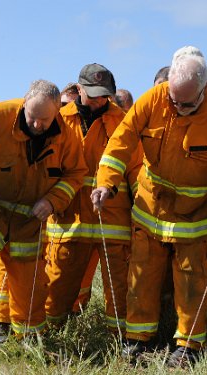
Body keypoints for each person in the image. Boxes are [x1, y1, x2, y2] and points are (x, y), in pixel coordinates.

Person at [91, 46, 207, 367]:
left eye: (187, 103)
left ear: (204, 89)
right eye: (174, 100)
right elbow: (119, 145)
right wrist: (106, 182)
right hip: (150, 210)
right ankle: (136, 342)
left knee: (191, 283)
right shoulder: (154, 99)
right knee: (142, 278)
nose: (178, 107)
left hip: (193, 218)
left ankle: (188, 348)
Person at [0, 80, 87, 358]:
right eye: (32, 117)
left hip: (27, 222)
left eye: (44, 120)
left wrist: (51, 201)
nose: (36, 125)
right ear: (24, 103)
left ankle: (32, 342)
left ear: (57, 114)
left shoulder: (66, 137)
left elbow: (75, 175)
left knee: (31, 283)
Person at [45, 64, 142, 334]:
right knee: (58, 284)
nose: (100, 100)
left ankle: (122, 341)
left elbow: (135, 168)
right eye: (94, 94)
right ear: (79, 90)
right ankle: (51, 338)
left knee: (120, 287)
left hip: (113, 219)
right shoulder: (60, 120)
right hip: (69, 220)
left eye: (105, 95)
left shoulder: (123, 121)